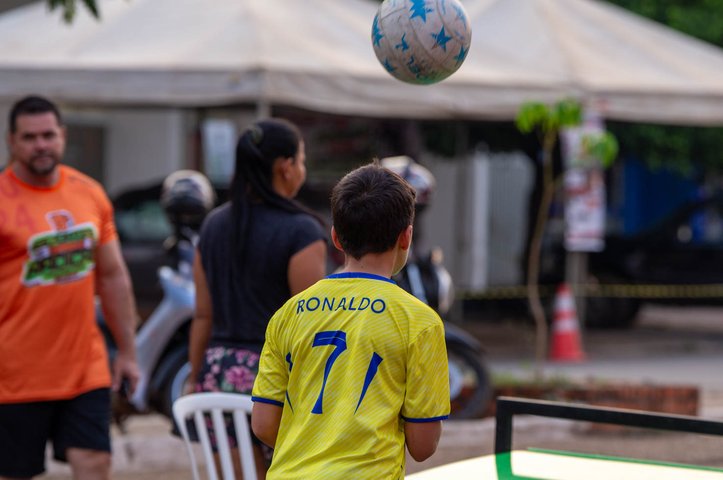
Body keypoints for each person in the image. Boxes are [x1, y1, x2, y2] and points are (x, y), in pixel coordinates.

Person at [251, 162, 450, 479]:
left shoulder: (288, 313)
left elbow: (263, 425)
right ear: (406, 237)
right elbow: (423, 445)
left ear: (336, 237)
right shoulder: (420, 322)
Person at [0, 95, 140, 479]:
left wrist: (128, 352)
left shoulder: (89, 193)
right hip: (13, 374)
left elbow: (111, 276)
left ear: (62, 135)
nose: (41, 145)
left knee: (95, 462)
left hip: (84, 368)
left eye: (48, 135)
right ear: (12, 141)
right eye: (29, 137)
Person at [188, 118, 328, 478]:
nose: (302, 169)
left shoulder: (213, 225)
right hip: (273, 379)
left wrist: (194, 378)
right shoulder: (302, 231)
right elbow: (312, 322)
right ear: (285, 167)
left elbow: (203, 315)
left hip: (217, 375)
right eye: (301, 160)